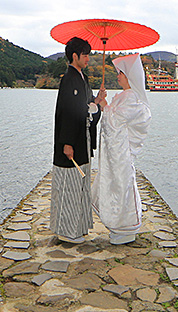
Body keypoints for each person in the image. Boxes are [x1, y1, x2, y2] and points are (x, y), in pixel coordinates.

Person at [50, 36, 107, 243]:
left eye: (89, 55)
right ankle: (67, 231)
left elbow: (86, 109)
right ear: (74, 56)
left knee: (79, 185)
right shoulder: (69, 79)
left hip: (82, 139)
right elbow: (68, 113)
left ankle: (78, 228)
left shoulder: (82, 79)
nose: (88, 59)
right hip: (72, 141)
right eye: (85, 55)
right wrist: (66, 142)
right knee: (69, 186)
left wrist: (97, 101)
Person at [92, 53, 151, 244]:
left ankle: (125, 226)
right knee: (114, 182)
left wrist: (104, 106)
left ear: (128, 76)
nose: (117, 76)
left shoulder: (132, 98)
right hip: (116, 151)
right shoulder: (124, 96)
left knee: (122, 184)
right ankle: (117, 224)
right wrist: (105, 105)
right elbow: (114, 117)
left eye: (120, 73)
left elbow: (116, 121)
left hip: (121, 152)